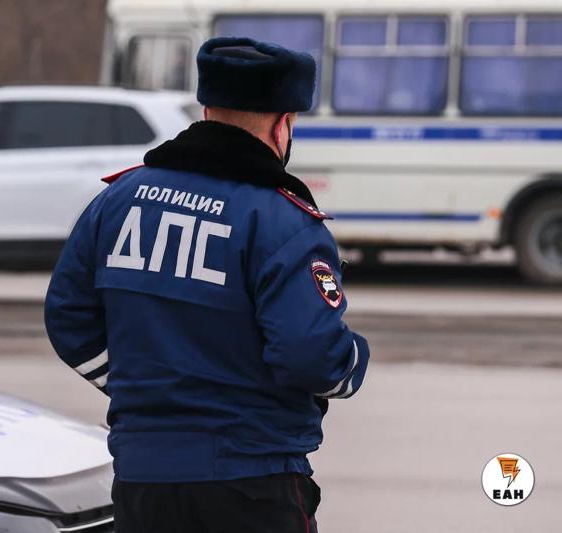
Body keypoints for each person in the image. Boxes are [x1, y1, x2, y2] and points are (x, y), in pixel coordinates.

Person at [45, 36, 371, 533]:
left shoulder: (119, 199)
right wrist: (354, 360)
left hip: (143, 479)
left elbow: (68, 317)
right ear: (283, 124)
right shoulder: (284, 222)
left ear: (206, 110)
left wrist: (140, 387)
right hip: (252, 480)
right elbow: (312, 356)